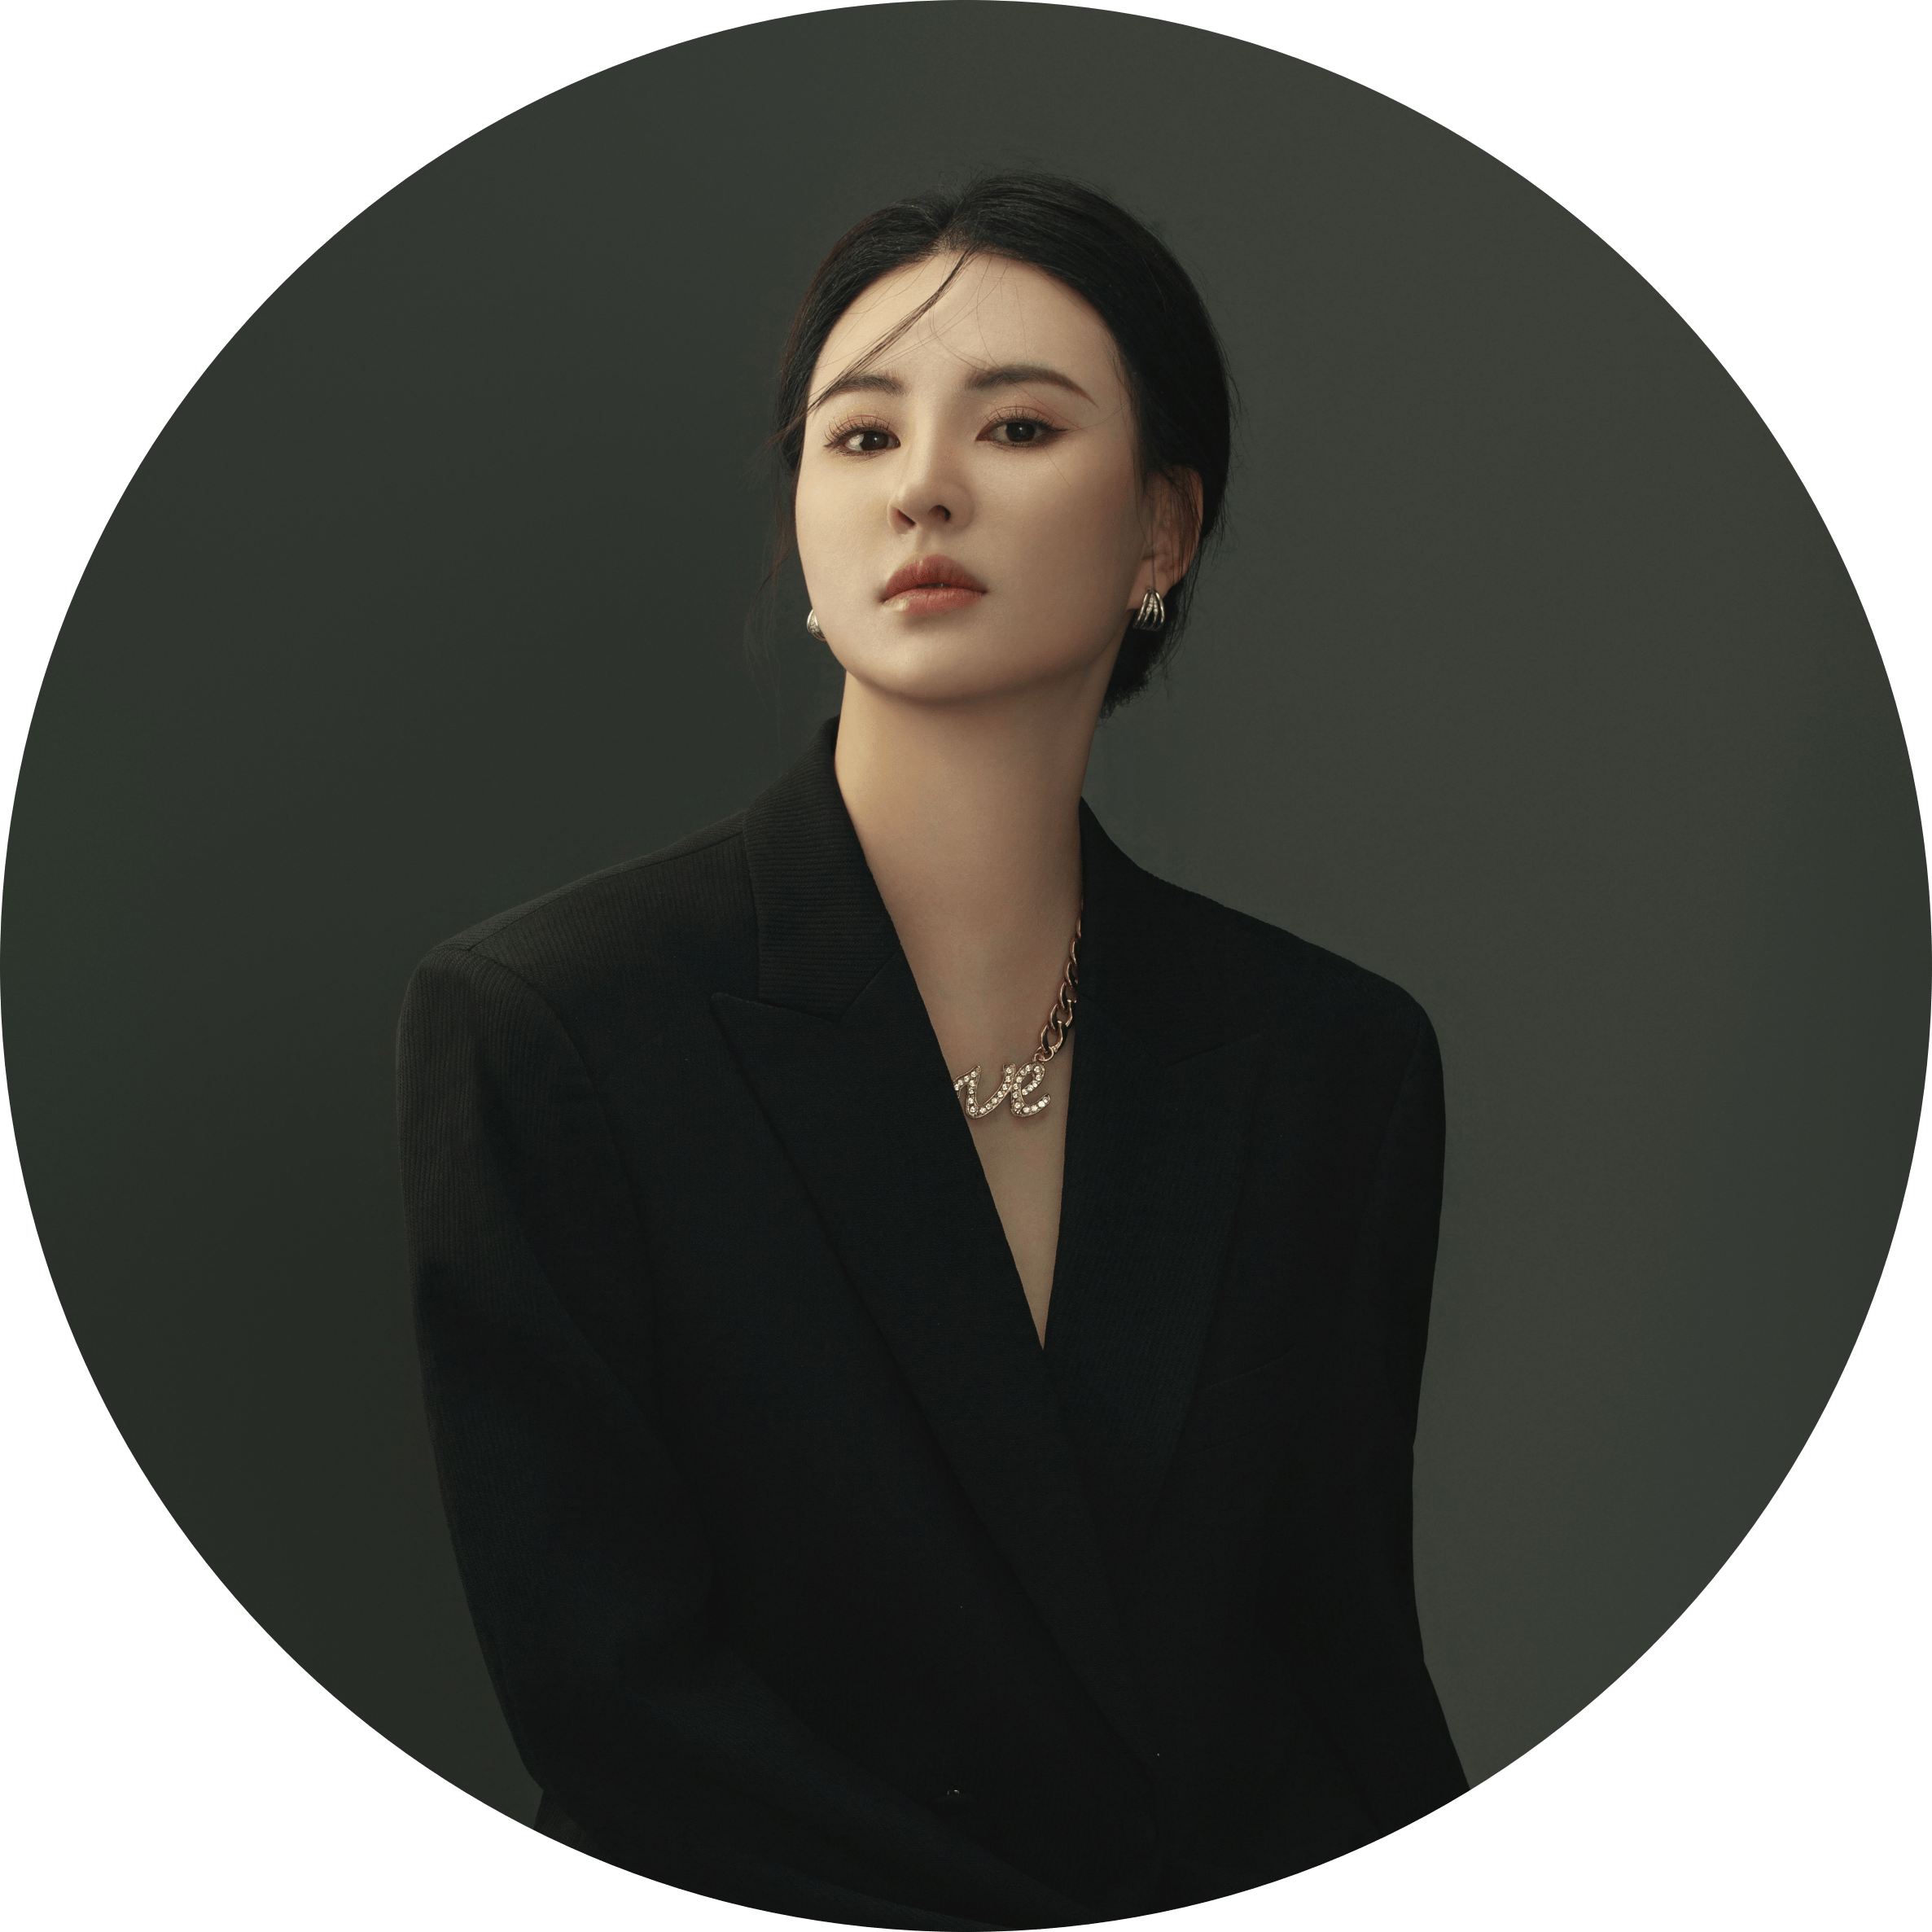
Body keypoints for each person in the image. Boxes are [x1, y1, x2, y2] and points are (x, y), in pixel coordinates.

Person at [397, 173, 1466, 1930]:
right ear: (805, 525)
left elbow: (1350, 1681)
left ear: (1163, 532)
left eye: (1020, 425)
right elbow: (615, 1707)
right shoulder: (553, 1026)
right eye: (861, 431)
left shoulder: (1332, 1062)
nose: (924, 485)